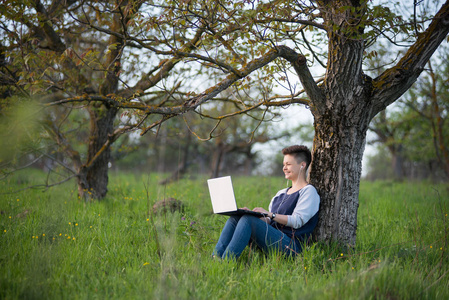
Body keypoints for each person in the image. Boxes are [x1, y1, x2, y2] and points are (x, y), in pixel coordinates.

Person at [212, 145, 320, 260]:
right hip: (273, 240)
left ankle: (226, 262)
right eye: (284, 164)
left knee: (249, 221)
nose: (284, 168)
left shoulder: (308, 191)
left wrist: (270, 214)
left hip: (291, 247)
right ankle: (216, 258)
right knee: (237, 218)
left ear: (302, 165)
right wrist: (252, 215)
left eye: (288, 164)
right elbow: (269, 221)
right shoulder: (281, 193)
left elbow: (297, 221)